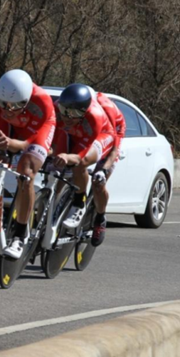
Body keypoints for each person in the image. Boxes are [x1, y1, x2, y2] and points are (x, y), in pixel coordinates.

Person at [0, 69, 56, 260]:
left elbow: (28, 143)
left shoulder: (42, 102)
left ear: (26, 101)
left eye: (15, 106)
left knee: (26, 172)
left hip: (36, 130)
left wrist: (10, 143)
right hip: (11, 127)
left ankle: (20, 234)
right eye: (4, 104)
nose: (9, 110)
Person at [51, 84, 116, 236]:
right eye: (64, 111)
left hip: (102, 136)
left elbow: (80, 154)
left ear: (84, 111)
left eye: (73, 113)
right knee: (57, 164)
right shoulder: (57, 108)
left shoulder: (95, 116)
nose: (67, 117)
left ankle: (80, 202)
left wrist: (68, 157)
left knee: (80, 163)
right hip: (77, 133)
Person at [87, 90, 126, 246]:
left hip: (111, 133)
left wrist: (103, 170)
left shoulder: (106, 109)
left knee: (98, 181)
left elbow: (113, 149)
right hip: (88, 129)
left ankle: (100, 218)